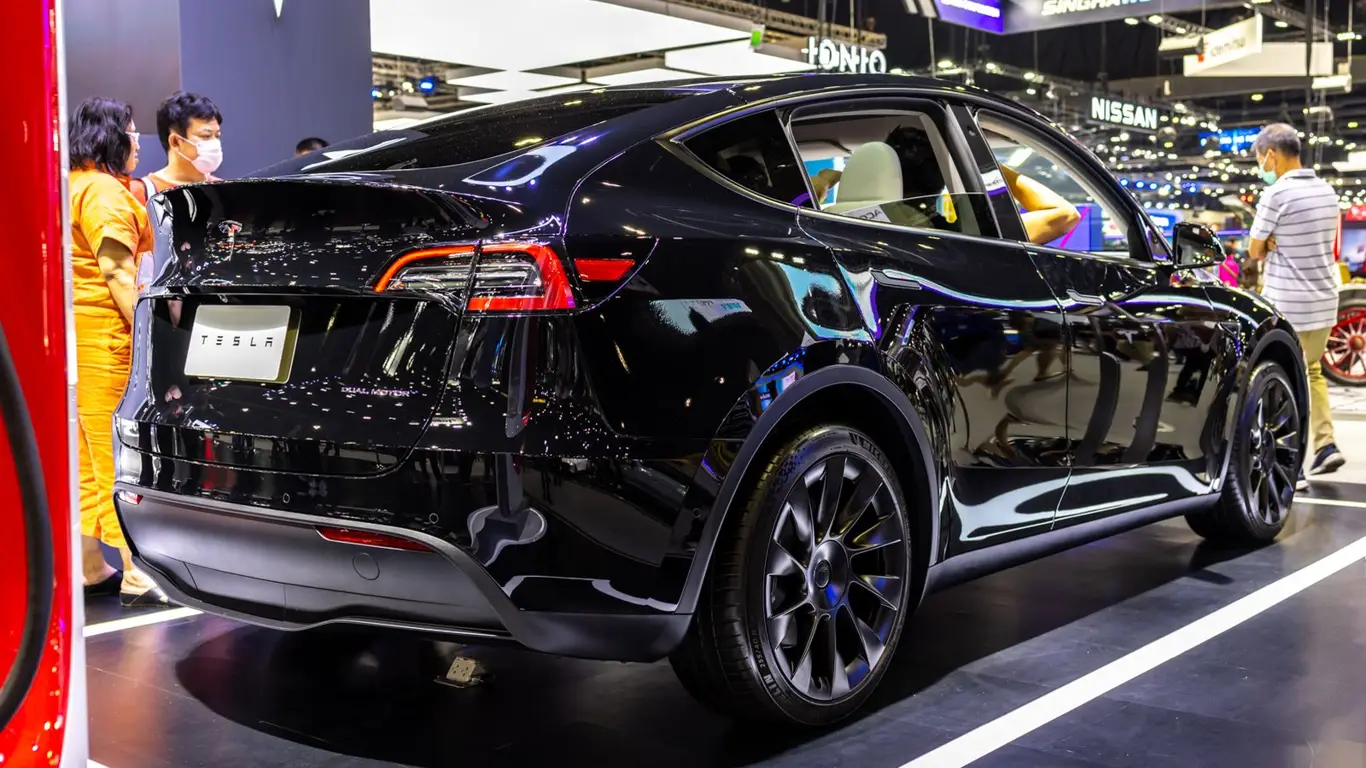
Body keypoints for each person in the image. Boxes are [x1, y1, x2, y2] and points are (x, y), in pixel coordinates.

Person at [67, 97, 168, 607]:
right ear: (109, 136)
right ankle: (135, 570)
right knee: (117, 457)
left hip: (77, 341)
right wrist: (152, 339)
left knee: (86, 460)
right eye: (130, 132)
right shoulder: (105, 191)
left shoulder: (73, 184)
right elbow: (118, 273)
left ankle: (90, 566)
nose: (137, 142)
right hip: (107, 338)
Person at [1249, 122, 1346, 482]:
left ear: (1271, 155)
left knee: (1282, 378)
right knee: (1312, 371)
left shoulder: (1276, 195)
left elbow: (1255, 249)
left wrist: (1271, 241)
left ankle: (1293, 466)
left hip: (1288, 305)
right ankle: (1326, 445)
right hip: (1324, 302)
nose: (1261, 166)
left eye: (1260, 159)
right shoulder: (1327, 192)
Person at [130, 90, 223, 206]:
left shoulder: (223, 190)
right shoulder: (140, 194)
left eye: (217, 136)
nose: (215, 143)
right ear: (175, 142)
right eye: (206, 136)